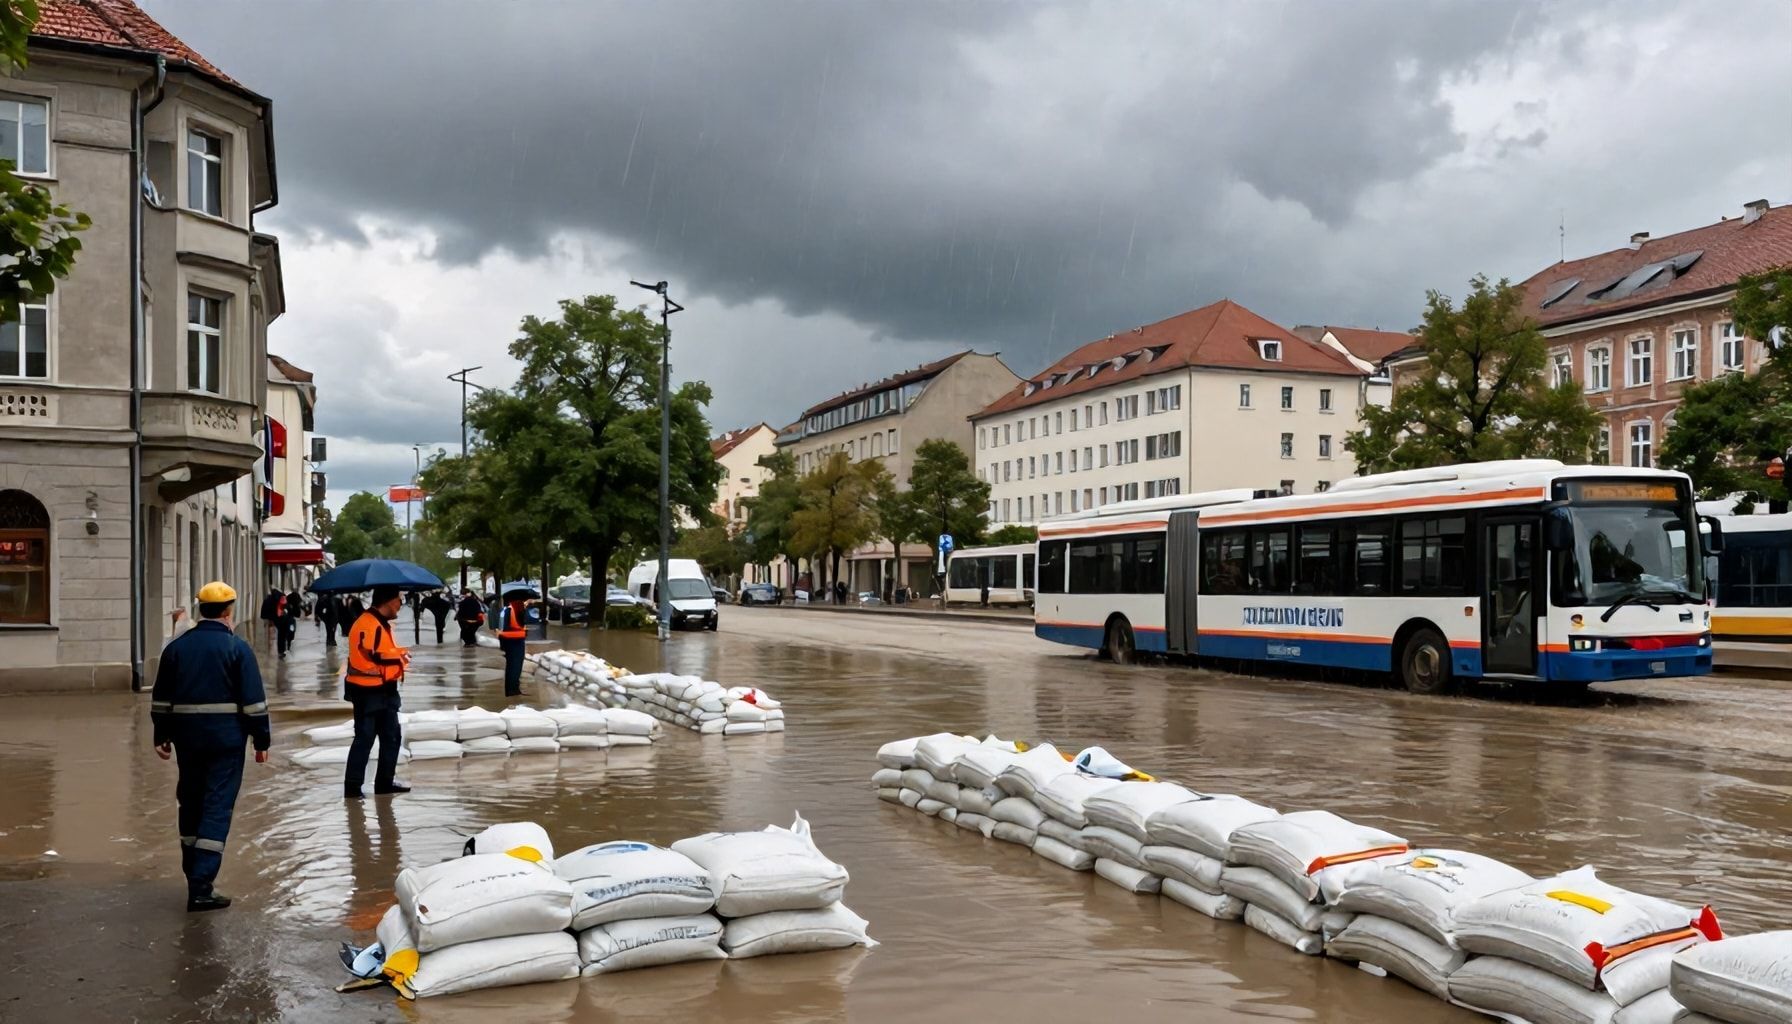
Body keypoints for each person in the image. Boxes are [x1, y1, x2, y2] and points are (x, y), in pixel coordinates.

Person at [150, 581, 270, 912]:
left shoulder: (176, 648)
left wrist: (161, 735)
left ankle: (193, 874)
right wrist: (261, 741)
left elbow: (160, 699)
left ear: (201, 609)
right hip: (226, 742)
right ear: (229, 610)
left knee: (190, 801)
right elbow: (254, 704)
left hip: (187, 742)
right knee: (217, 806)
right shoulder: (238, 649)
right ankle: (201, 886)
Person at [343, 586, 411, 799]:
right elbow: (377, 654)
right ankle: (353, 788)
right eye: (399, 600)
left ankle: (384, 783)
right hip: (368, 691)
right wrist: (401, 655)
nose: (401, 604)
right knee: (365, 738)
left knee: (391, 737)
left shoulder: (380, 623)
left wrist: (399, 655)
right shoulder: (368, 624)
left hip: (384, 689)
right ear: (390, 601)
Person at [495, 590, 533, 697]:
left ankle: (512, 689)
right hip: (516, 641)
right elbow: (529, 620)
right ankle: (512, 690)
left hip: (508, 641)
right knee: (515, 667)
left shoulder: (506, 610)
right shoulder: (517, 610)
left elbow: (501, 627)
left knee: (512, 667)